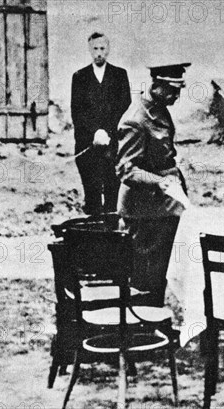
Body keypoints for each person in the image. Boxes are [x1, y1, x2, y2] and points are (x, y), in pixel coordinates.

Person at [116, 62, 191, 307]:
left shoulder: (157, 107)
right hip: (145, 213)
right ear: (156, 85)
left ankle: (154, 325)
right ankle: (143, 331)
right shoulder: (136, 119)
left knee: (158, 276)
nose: (177, 96)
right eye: (173, 90)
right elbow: (126, 169)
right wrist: (160, 181)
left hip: (162, 209)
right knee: (145, 279)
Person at [71, 32, 131, 215]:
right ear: (90, 49)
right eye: (95, 48)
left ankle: (111, 235)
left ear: (108, 49)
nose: (99, 53)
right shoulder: (80, 77)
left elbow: (124, 106)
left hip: (112, 144)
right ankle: (93, 238)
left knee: (113, 190)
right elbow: (77, 111)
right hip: (88, 144)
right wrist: (94, 132)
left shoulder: (119, 75)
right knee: (92, 193)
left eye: (102, 49)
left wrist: (107, 132)